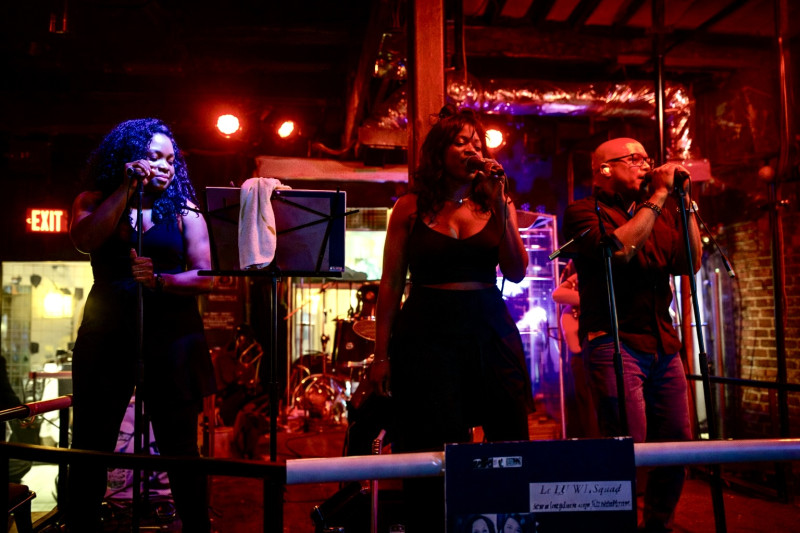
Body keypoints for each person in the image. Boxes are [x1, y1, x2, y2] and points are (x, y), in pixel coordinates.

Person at [369, 104, 533, 531]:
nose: (472, 150)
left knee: (508, 427)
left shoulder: (496, 201)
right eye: (461, 142)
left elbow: (516, 271)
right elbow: (391, 284)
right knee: (431, 436)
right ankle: (431, 525)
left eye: (476, 143)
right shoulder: (409, 207)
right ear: (439, 152)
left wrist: (501, 206)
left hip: (487, 327)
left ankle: (506, 521)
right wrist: (381, 356)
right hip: (427, 331)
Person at [67, 118, 216, 532]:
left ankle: (197, 527)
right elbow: (85, 239)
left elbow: (207, 276)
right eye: (155, 157)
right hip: (107, 333)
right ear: (128, 157)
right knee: (91, 445)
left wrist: (160, 280)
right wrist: (125, 190)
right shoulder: (93, 200)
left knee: (180, 448)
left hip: (173, 336)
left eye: (171, 159)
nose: (166, 166)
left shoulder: (186, 211)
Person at [562, 137, 701, 532]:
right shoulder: (583, 212)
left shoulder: (659, 210)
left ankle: (658, 524)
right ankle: (615, 523)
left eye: (646, 158)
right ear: (604, 169)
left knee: (677, 442)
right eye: (634, 159)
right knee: (626, 444)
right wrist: (657, 197)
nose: (645, 165)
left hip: (663, 344)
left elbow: (689, 262)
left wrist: (685, 204)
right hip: (615, 340)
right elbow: (619, 251)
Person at [551, 261, 599, 438]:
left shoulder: (591, 293)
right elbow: (557, 294)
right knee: (586, 404)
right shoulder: (577, 289)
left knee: (595, 404)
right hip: (581, 356)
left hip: (594, 353)